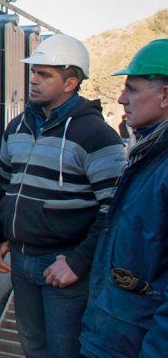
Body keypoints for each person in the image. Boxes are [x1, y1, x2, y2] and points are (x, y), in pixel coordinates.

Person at [0, 34, 126, 358]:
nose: (34, 80)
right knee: (32, 347)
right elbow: (3, 185)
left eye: (45, 75)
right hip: (21, 262)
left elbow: (115, 210)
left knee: (64, 350)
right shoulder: (16, 127)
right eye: (33, 72)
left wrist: (78, 263)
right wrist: (2, 236)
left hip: (63, 265)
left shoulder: (96, 135)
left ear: (70, 83)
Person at [80, 39, 168, 358]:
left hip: (135, 341)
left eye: (132, 89)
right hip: (114, 332)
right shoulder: (146, 155)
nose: (121, 98)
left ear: (165, 95)